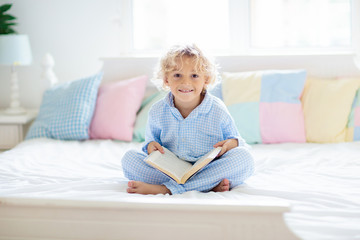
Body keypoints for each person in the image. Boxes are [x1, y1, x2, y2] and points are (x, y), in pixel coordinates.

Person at [122, 44, 254, 195]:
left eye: (194, 75)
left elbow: (237, 142)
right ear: (166, 80)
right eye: (177, 75)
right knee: (129, 159)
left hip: (208, 168)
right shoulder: (157, 111)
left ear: (206, 79)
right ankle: (205, 186)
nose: (186, 83)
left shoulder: (217, 110)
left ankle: (168, 189)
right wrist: (151, 146)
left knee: (245, 158)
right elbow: (149, 145)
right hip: (170, 171)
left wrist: (231, 143)